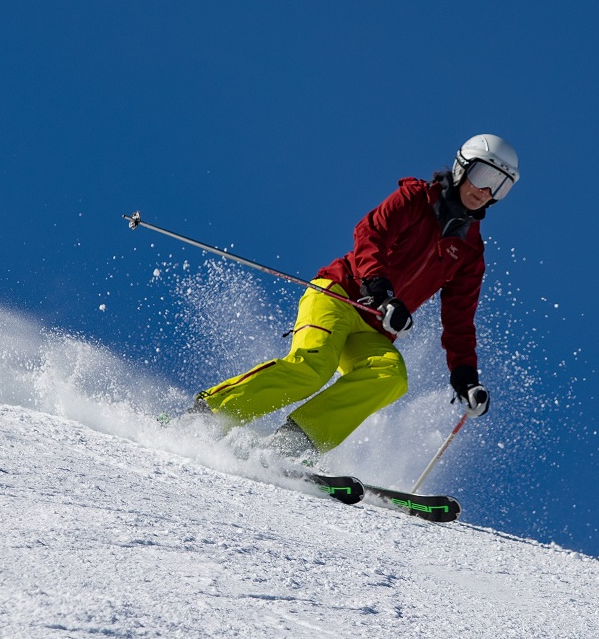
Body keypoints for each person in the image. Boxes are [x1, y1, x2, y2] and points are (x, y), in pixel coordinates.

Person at [193, 134, 520, 460]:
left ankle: (291, 444)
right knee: (313, 367)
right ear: (461, 167)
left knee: (390, 376)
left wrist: (466, 378)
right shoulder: (416, 199)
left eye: (500, 186)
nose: (485, 191)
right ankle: (209, 415)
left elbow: (459, 320)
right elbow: (370, 233)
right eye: (483, 176)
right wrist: (380, 290)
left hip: (374, 329)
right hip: (339, 295)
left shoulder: (469, 252)